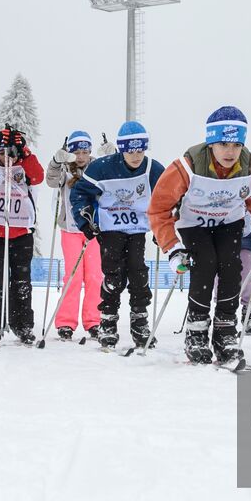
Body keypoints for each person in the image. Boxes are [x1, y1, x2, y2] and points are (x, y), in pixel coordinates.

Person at [149, 107, 251, 365]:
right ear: (211, 142)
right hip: (193, 224)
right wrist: (171, 248)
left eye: (236, 145)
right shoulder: (187, 165)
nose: (230, 152)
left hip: (229, 222)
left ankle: (225, 332)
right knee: (205, 263)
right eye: (223, 144)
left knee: (231, 267)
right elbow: (158, 207)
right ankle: (196, 332)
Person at [71, 121, 166, 349]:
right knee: (113, 274)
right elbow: (80, 193)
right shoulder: (102, 168)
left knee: (137, 270)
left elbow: (168, 197)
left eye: (140, 150)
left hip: (136, 229)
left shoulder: (153, 168)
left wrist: (162, 226)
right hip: (110, 228)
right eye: (130, 151)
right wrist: (85, 221)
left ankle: (139, 321)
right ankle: (108, 322)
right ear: (121, 149)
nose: (135, 156)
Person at [0, 125, 45, 346]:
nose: (7, 157)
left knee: (22, 282)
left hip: (22, 232)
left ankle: (23, 325)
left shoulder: (24, 168)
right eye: (3, 153)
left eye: (11, 152)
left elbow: (38, 176)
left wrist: (25, 151)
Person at [46, 130, 104, 340]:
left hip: (94, 230)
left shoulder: (98, 167)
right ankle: (66, 323)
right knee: (73, 276)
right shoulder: (65, 170)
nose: (81, 156)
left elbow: (113, 179)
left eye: (85, 151)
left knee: (95, 276)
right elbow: (50, 181)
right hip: (70, 230)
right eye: (77, 152)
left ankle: (94, 321)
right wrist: (55, 161)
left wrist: (113, 156)